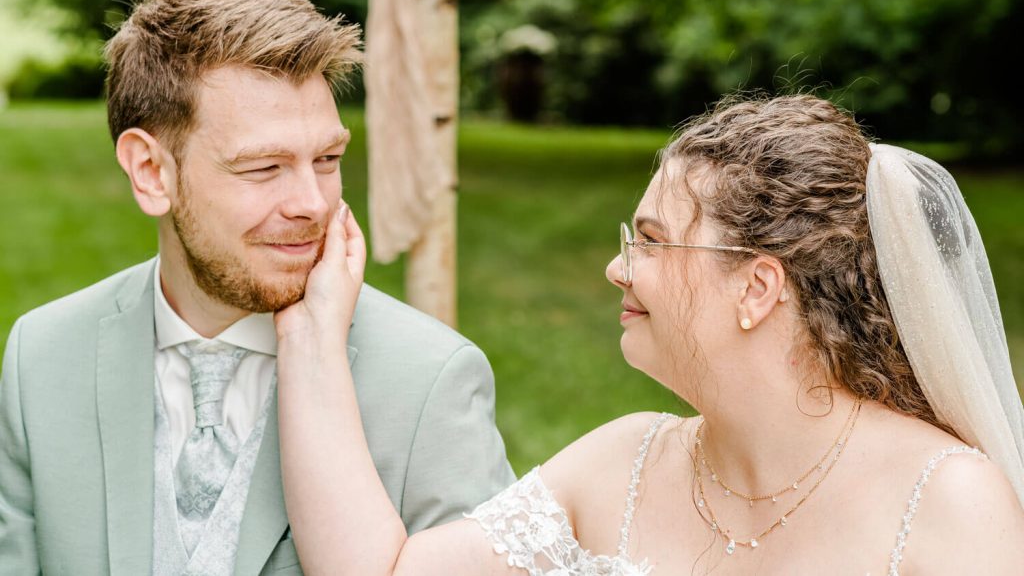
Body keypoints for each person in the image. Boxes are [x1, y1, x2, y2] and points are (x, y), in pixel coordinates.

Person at [276, 94, 1024, 574]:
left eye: (654, 241)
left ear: (756, 287)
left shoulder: (947, 501)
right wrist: (312, 338)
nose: (616, 267)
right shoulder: (623, 462)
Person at [0, 0, 514, 576]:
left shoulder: (430, 381)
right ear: (150, 171)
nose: (313, 203)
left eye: (327, 159)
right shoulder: (44, 355)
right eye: (264, 168)